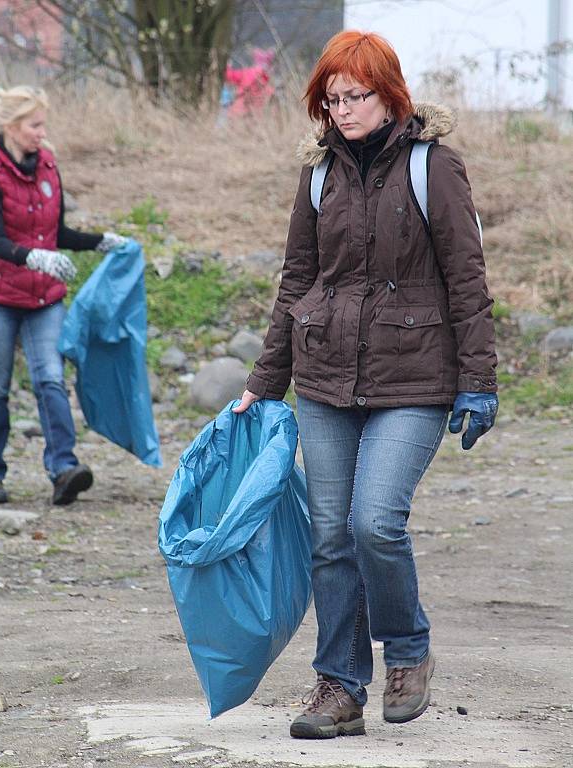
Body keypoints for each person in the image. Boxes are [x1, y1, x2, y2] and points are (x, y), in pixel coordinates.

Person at [233, 30, 498, 739]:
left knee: (373, 521)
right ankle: (339, 687)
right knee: (329, 537)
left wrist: (478, 380)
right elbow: (297, 280)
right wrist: (265, 380)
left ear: (390, 95)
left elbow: (467, 281)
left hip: (414, 378)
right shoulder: (318, 173)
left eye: (355, 97)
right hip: (324, 376)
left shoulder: (433, 168)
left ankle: (408, 649)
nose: (342, 110)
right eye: (331, 99)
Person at [0, 85, 127, 507]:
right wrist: (35, 257)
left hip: (43, 299)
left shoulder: (48, 166)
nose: (42, 132)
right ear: (11, 126)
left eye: (43, 124)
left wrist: (100, 241)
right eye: (35, 125)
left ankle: (63, 468)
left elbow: (55, 232)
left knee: (50, 379)